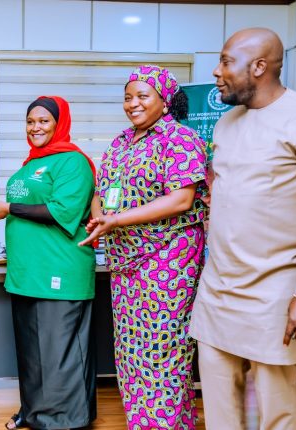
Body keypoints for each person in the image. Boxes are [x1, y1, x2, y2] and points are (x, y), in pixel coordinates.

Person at [189, 28, 296, 430]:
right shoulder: (227, 123)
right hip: (218, 289)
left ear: (259, 67)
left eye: (226, 62)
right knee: (219, 407)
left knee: (277, 410)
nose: (216, 72)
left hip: (276, 292)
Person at [79, 65, 207, 429]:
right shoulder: (120, 142)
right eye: (127, 97)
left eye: (142, 96)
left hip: (167, 260)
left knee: (163, 352)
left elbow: (181, 199)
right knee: (131, 352)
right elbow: (102, 193)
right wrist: (101, 217)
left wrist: (118, 220)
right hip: (125, 262)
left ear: (165, 102)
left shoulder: (180, 139)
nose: (132, 103)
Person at [0, 96, 97, 430]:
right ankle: (32, 411)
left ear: (59, 123)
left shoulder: (73, 161)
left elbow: (63, 212)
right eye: (30, 121)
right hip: (26, 272)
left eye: (44, 121)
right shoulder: (30, 163)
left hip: (59, 270)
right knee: (32, 351)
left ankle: (64, 419)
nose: (36, 127)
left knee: (58, 352)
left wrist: (8, 208)